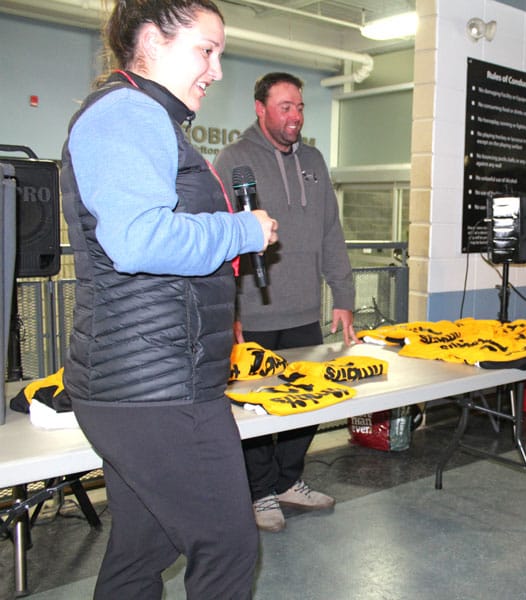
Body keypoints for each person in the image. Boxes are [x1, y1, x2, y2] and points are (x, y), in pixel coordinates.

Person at [60, 1, 278, 597]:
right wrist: (243, 229)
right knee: (228, 548)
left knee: (142, 549)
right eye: (205, 51)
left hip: (140, 381)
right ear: (153, 40)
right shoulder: (127, 113)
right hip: (157, 389)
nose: (216, 69)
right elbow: (137, 240)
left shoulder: (138, 114)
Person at [214, 72, 356, 532]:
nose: (294, 116)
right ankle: (258, 493)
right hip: (252, 316)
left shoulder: (313, 160)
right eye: (285, 107)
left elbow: (331, 233)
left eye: (299, 107)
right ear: (260, 108)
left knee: (308, 404)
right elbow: (221, 243)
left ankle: (288, 481)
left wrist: (344, 296)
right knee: (255, 413)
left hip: (303, 312)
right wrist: (229, 313)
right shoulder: (233, 160)